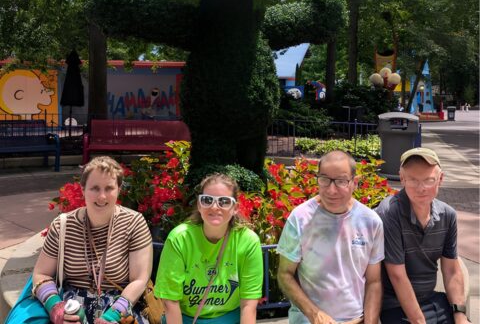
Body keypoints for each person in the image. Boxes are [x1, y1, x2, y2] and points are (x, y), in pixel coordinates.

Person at [33, 156, 153, 323]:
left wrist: (114, 315)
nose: (102, 196)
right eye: (95, 188)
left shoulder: (134, 223)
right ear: (83, 189)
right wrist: (56, 307)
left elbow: (139, 279)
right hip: (71, 309)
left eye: (109, 188)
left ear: (119, 189)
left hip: (120, 306)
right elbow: (41, 273)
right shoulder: (63, 226)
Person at [277, 150, 384, 324]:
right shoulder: (300, 218)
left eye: (341, 181)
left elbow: (374, 281)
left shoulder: (371, 222)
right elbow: (285, 274)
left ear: (354, 183)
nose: (331, 190)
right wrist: (314, 314)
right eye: (325, 179)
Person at [376, 147, 470, 324]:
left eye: (429, 180)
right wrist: (419, 321)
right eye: (412, 180)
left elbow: (451, 269)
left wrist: (460, 315)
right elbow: (397, 275)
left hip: (432, 300)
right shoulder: (389, 212)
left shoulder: (447, 215)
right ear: (402, 178)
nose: (421, 188)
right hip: (397, 306)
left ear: (440, 179)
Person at [155, 173, 263, 324]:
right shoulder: (180, 238)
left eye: (224, 201)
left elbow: (249, 304)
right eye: (207, 200)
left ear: (235, 208)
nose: (214, 207)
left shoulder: (248, 241)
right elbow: (170, 300)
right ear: (199, 205)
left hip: (230, 319)